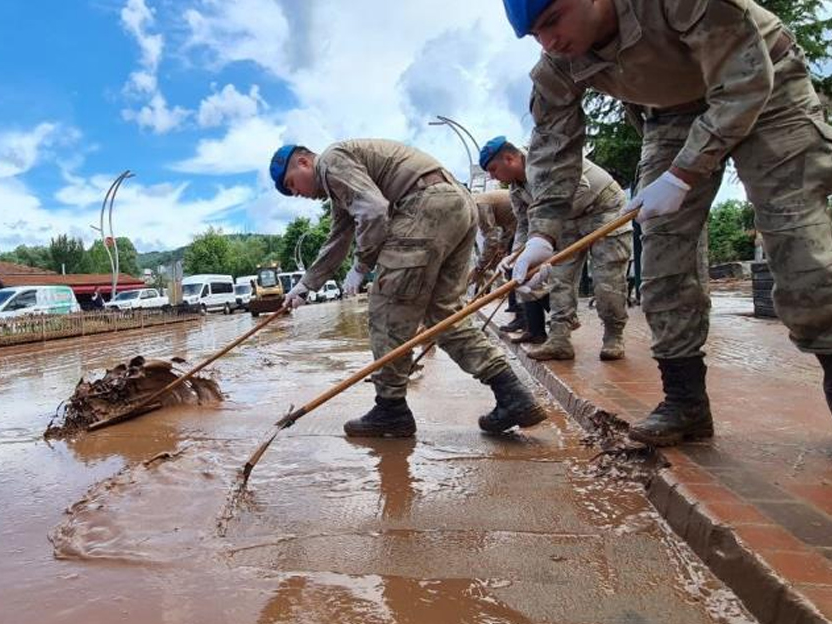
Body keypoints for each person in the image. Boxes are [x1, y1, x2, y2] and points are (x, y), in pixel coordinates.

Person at [502, 0, 832, 459]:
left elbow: (743, 79)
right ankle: (685, 399)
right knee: (663, 257)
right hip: (671, 115)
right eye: (536, 33)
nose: (550, 41)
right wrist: (540, 235)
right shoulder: (556, 67)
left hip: (766, 88)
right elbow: (554, 150)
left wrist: (687, 171)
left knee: (796, 238)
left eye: (554, 20)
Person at [269, 139, 546, 437]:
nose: (296, 193)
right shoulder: (338, 187)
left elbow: (374, 211)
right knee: (445, 317)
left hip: (424, 206)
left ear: (303, 163)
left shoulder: (331, 161)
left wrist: (362, 265)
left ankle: (391, 409)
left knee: (387, 310)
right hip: (456, 206)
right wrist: (305, 285)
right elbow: (338, 238)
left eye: (292, 184)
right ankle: (512, 394)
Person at [478, 135, 631, 361]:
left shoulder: (546, 160)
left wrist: (546, 236)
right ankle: (559, 340)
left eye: (493, 169)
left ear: (509, 158)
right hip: (564, 221)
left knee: (607, 281)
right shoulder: (516, 189)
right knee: (560, 280)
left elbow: (578, 190)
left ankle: (613, 336)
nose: (492, 176)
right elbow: (524, 223)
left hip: (603, 209)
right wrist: (517, 256)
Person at [473, 190, 527, 334]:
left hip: (524, 227)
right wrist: (501, 249)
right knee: (510, 269)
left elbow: (491, 239)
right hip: (516, 227)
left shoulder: (478, 206)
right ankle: (516, 308)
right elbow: (505, 227)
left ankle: (523, 316)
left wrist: (480, 267)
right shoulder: (477, 203)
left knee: (517, 271)